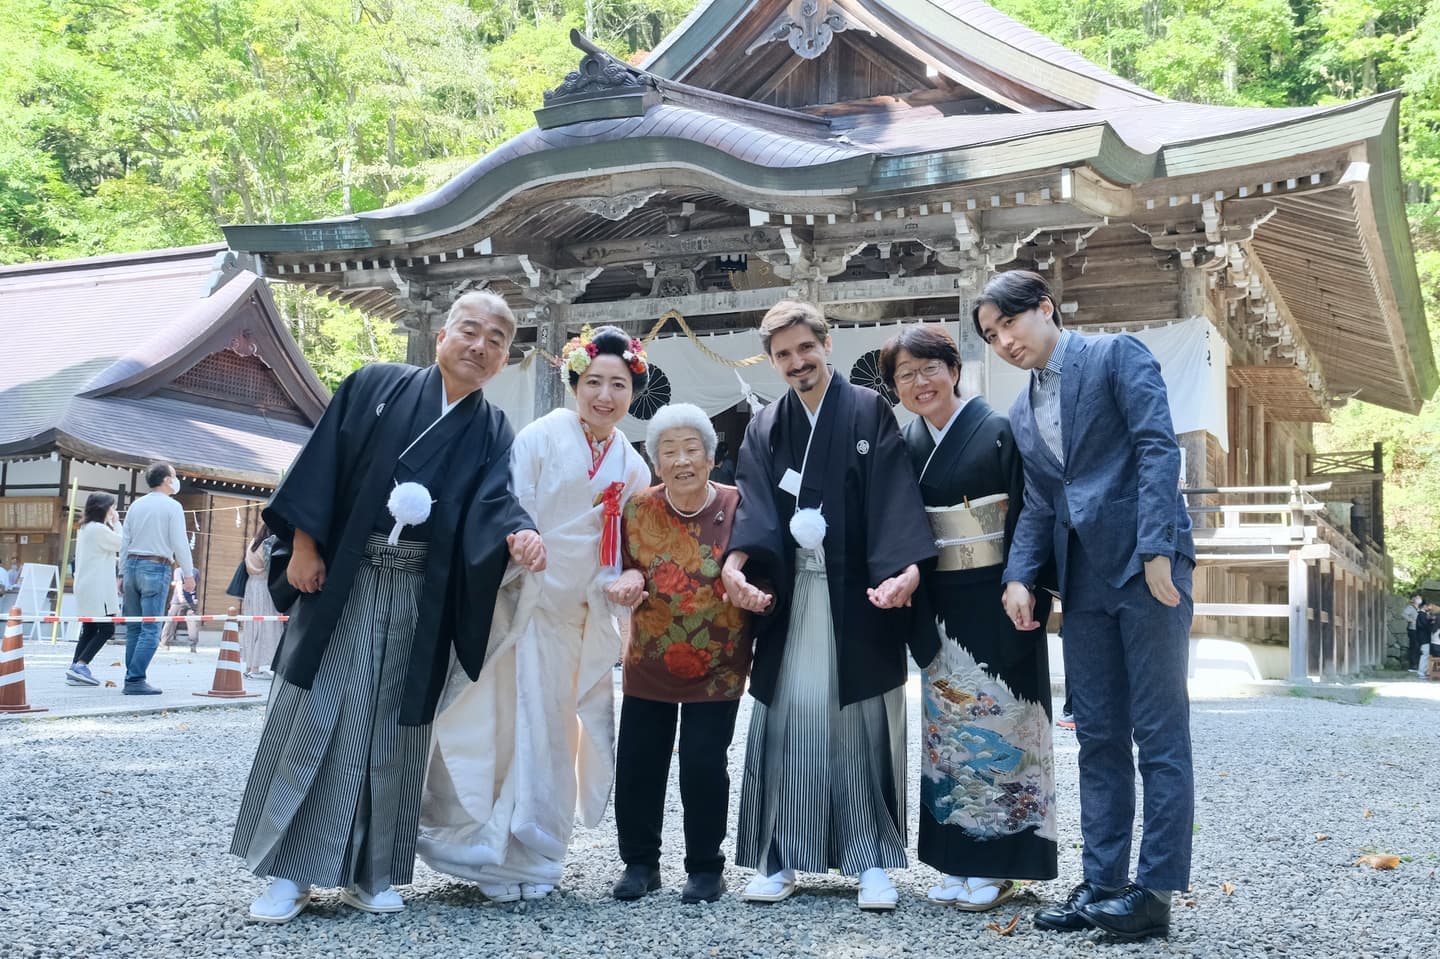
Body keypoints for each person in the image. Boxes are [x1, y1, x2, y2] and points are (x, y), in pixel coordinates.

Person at [230, 291, 544, 923]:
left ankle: (371, 873)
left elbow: (495, 501)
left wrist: (520, 532)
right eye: (470, 331)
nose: (480, 347)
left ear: (506, 358)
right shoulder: (375, 384)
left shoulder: (490, 428)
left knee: (395, 731)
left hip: (418, 596)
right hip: (344, 578)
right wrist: (304, 546)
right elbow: (322, 464)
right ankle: (292, 873)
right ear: (441, 335)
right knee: (321, 712)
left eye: (497, 340)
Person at [974, 270, 1195, 941]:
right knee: (1098, 736)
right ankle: (1102, 885)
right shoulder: (1020, 410)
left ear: (1045, 308)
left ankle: (1153, 892)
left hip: (1146, 565)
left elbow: (1158, 446)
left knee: (1158, 734)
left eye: (1010, 323)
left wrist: (1159, 545)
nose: (1004, 340)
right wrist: (1020, 574)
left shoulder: (1115, 355)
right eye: (990, 335)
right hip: (1084, 581)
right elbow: (1041, 501)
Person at [419, 324, 651, 903]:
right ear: (575, 383)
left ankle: (541, 852)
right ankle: (493, 853)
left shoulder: (633, 462)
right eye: (593, 381)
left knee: (559, 736)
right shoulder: (541, 437)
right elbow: (506, 506)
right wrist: (519, 542)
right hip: (527, 606)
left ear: (632, 393)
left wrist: (630, 576)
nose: (604, 395)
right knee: (514, 727)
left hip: (584, 615)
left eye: (618, 385)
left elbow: (638, 543)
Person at [720, 300, 936, 912]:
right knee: (789, 720)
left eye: (805, 348)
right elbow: (756, 508)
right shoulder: (765, 428)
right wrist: (737, 567)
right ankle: (780, 856)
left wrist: (907, 572)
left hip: (860, 595)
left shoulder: (870, 411)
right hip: (793, 594)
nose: (797, 362)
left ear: (827, 345)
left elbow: (894, 497)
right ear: (772, 361)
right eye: (783, 354)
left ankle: (871, 859)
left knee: (865, 721)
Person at [879, 325, 1057, 910]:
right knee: (949, 734)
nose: (919, 382)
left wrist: (1025, 581)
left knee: (1006, 723)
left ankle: (1002, 865)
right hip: (940, 603)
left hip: (1002, 595)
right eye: (905, 375)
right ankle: (958, 858)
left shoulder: (999, 431)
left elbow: (1033, 511)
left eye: (928, 367)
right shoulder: (906, 444)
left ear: (954, 369)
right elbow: (902, 525)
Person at [605, 403, 755, 905]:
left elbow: (763, 558)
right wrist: (627, 580)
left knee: (704, 762)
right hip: (649, 657)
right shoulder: (638, 508)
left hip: (719, 663)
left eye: (693, 448)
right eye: (669, 451)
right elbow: (625, 565)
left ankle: (706, 867)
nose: (682, 459)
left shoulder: (738, 504)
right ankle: (641, 863)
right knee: (639, 761)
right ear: (656, 461)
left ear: (712, 458)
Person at [119, 462, 195, 695]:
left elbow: (125, 540)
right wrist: (188, 574)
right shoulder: (173, 506)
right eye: (174, 476)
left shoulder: (136, 505)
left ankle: (131, 677)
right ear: (166, 480)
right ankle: (135, 679)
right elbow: (179, 543)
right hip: (156, 566)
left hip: (131, 565)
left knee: (133, 627)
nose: (176, 480)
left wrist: (121, 572)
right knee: (151, 628)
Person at [66, 493, 124, 687]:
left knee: (90, 628)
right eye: (112, 507)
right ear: (103, 508)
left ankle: (75, 668)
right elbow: (121, 543)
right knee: (106, 628)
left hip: (86, 584)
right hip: (98, 587)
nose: (113, 511)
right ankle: (81, 665)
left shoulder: (85, 528)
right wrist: (117, 523)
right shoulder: (98, 529)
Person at [240, 525, 283, 679]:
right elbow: (270, 567)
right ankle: (258, 667)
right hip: (264, 586)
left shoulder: (253, 543)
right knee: (265, 624)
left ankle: (250, 666)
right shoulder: (269, 543)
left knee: (253, 625)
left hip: (251, 585)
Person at [160, 564, 202, 652]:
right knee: (192, 623)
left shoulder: (178, 571)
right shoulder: (196, 571)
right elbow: (195, 586)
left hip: (178, 600)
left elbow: (179, 584)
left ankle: (165, 643)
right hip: (191, 600)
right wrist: (195, 598)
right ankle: (193, 645)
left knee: (171, 620)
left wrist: (181, 597)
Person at [1404, 593, 1423, 673]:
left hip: (1419, 630)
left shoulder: (1419, 608)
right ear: (1413, 599)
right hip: (1412, 629)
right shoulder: (1410, 607)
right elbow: (1404, 614)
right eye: (1417, 597)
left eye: (1420, 597)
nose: (1419, 599)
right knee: (1414, 646)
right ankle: (1412, 665)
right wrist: (1411, 620)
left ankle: (1417, 665)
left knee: (1418, 647)